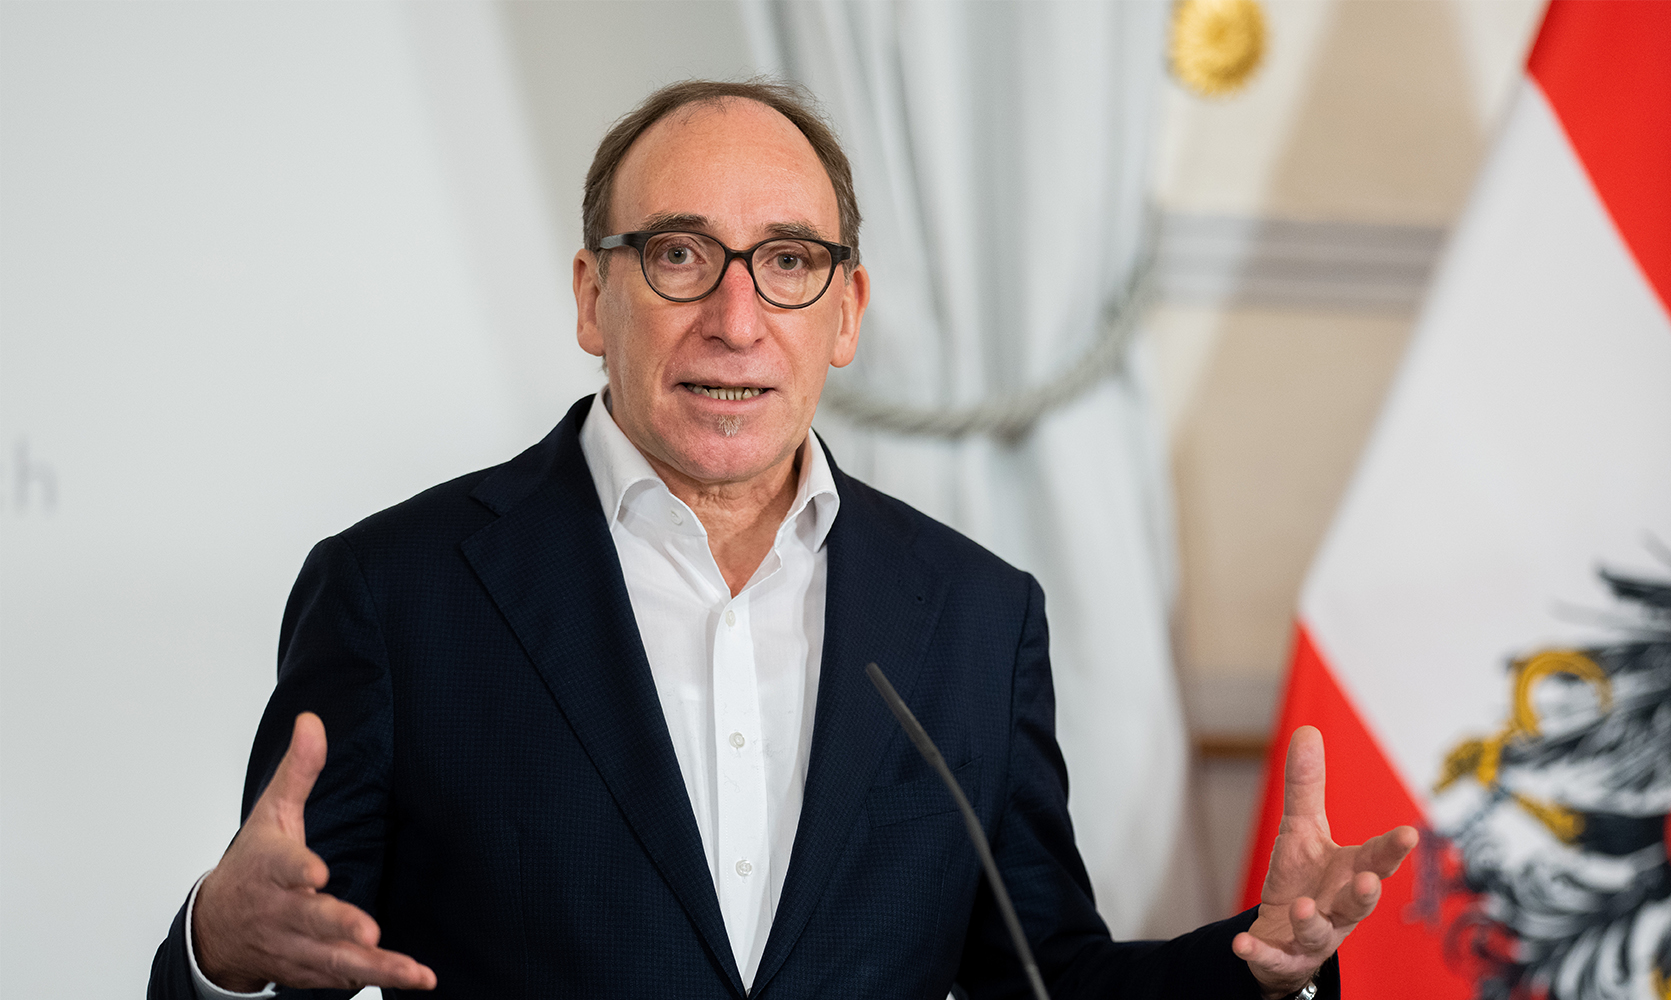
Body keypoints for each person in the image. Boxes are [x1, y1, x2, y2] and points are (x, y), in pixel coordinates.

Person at [146, 79, 1416, 1000]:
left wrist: (1262, 962)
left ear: (847, 311)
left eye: (791, 260)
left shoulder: (972, 615)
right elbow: (280, 945)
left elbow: (1045, 977)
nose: (737, 317)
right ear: (594, 296)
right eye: (682, 254)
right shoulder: (394, 594)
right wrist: (215, 950)